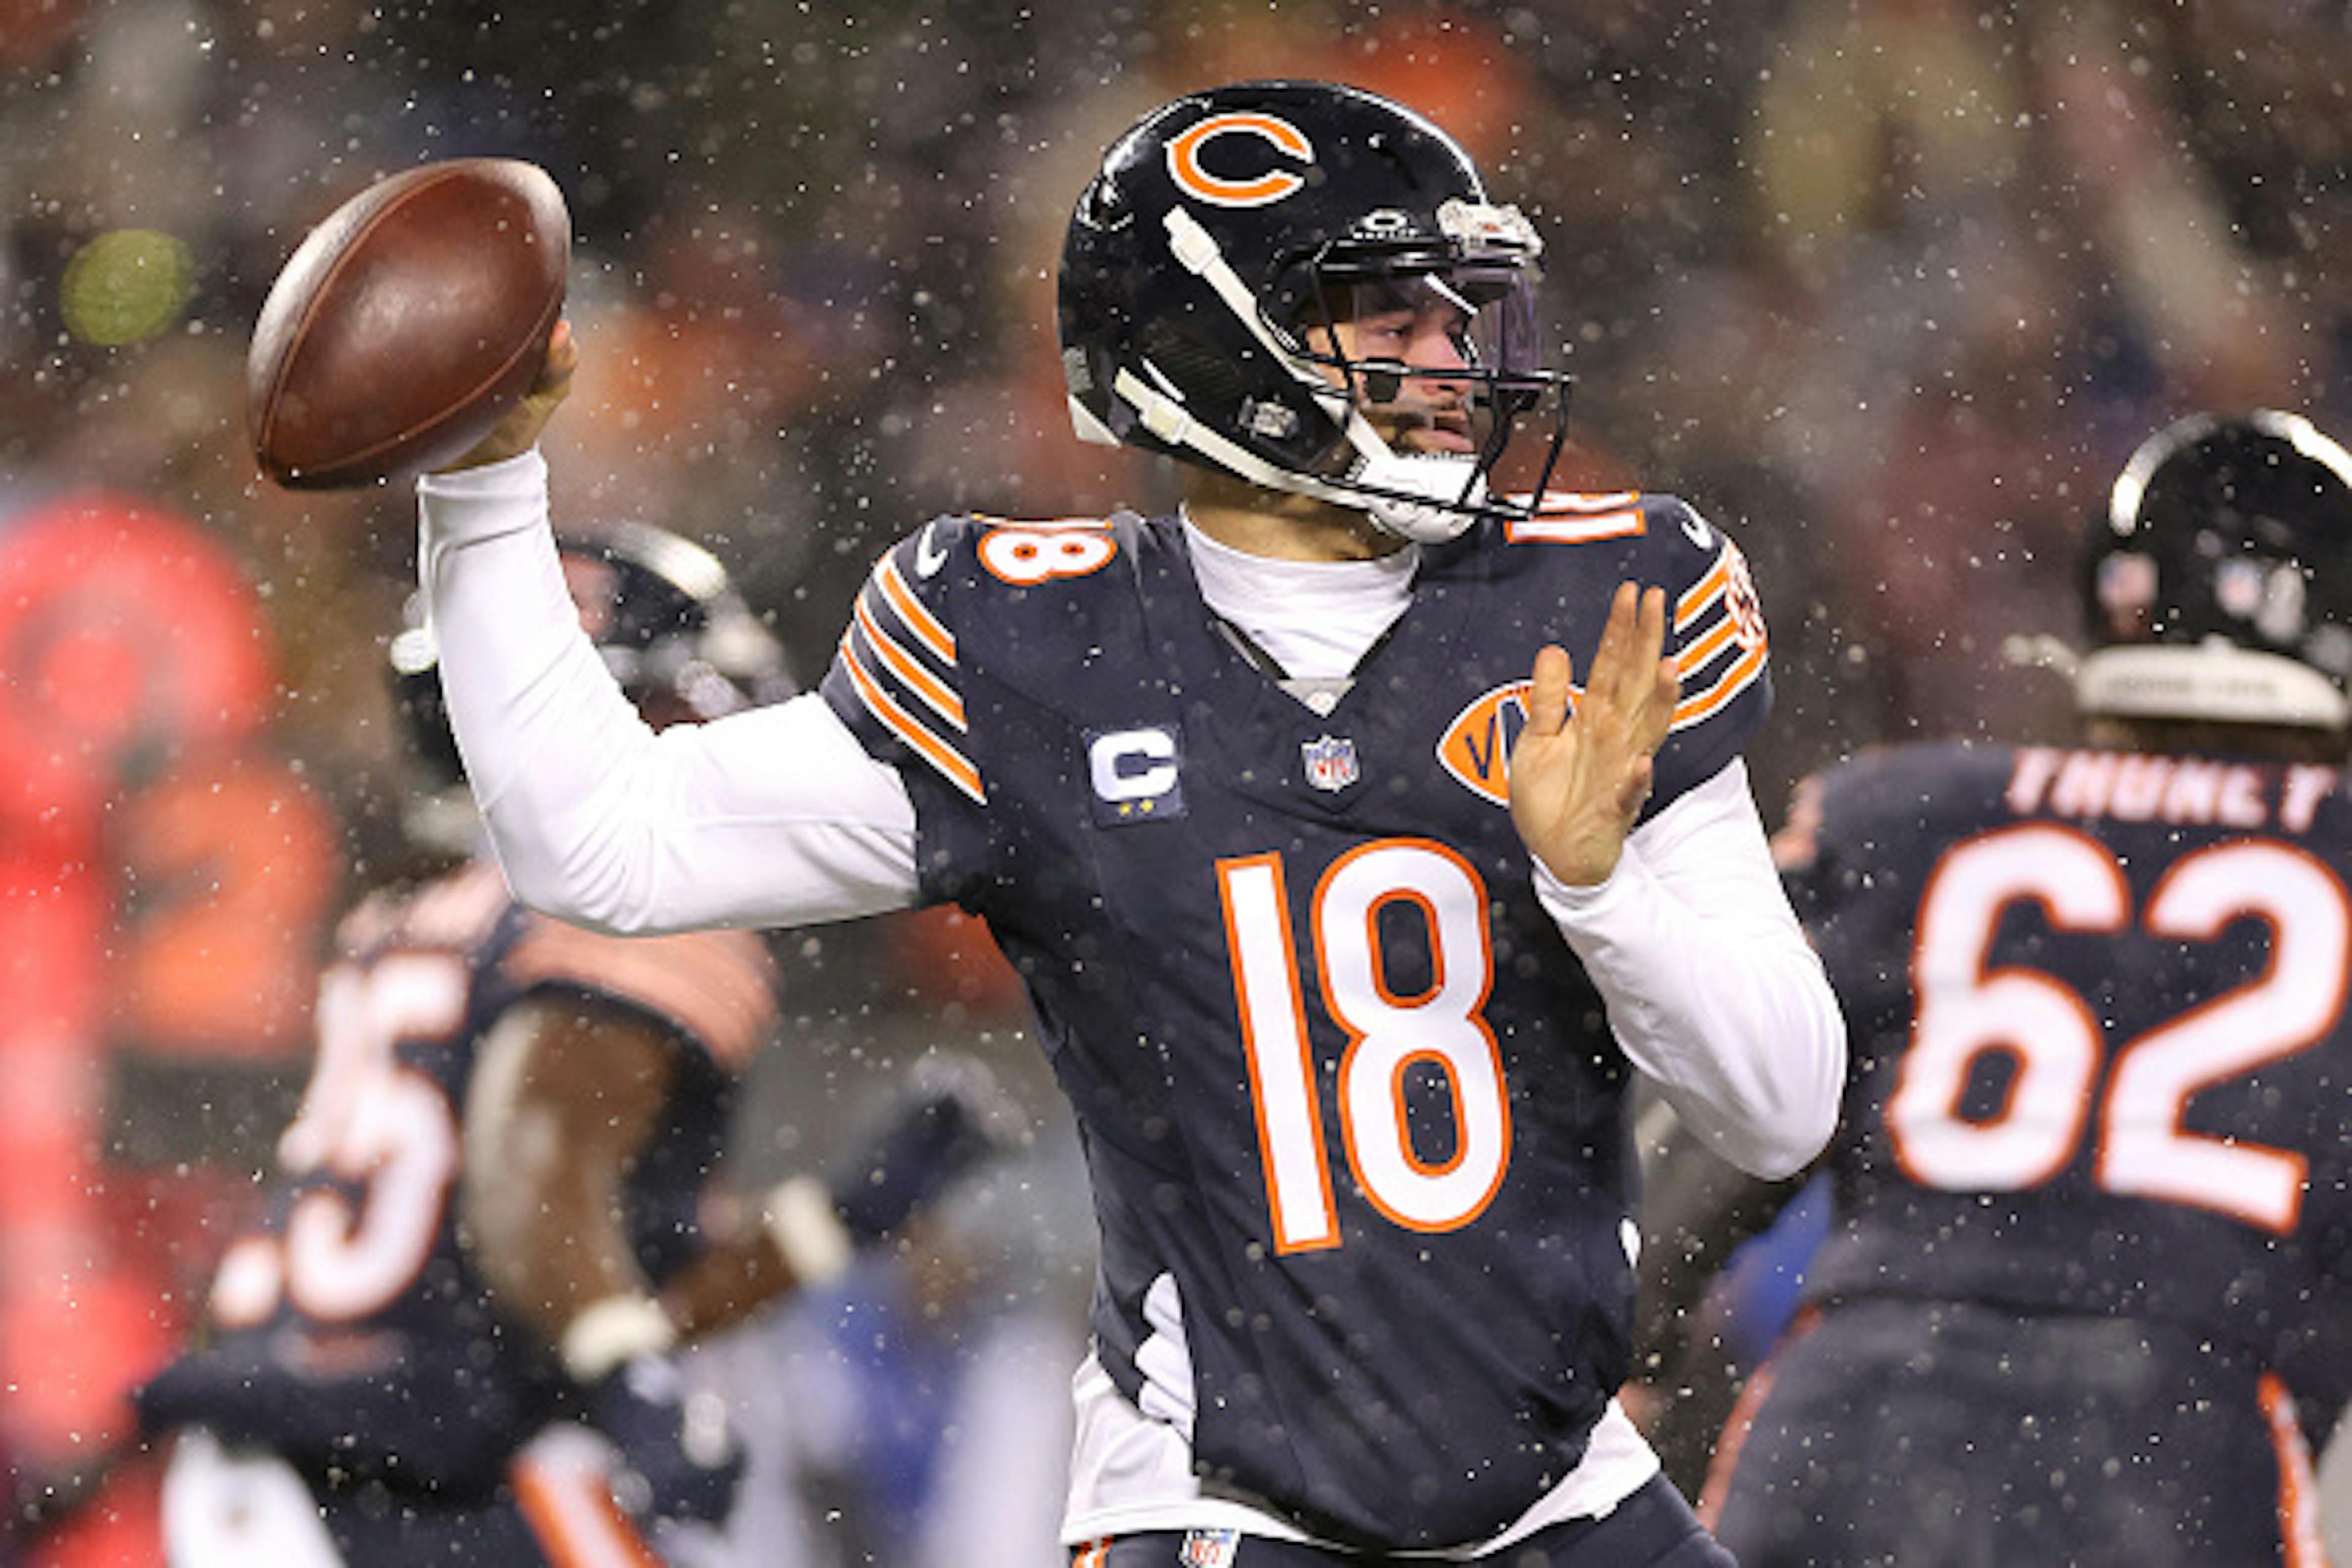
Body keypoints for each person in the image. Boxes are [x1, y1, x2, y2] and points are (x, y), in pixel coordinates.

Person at [411, 80, 1845, 1564]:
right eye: (1387, 315)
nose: (1449, 358)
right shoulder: (1033, 642)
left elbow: (1781, 1105)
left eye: (1449, 312)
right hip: (1231, 1504)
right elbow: (604, 843)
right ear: (1223, 351)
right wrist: (485, 486)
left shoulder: (1596, 604)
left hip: (1568, 1491)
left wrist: (1601, 888)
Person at [133, 520, 1016, 1568]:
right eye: (688, 705)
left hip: (298, 1447)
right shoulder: (625, 913)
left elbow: (585, 1291)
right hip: (413, 1480)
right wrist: (639, 1395)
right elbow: (531, 1196)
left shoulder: (413, 914)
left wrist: (843, 1218)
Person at [1688, 409, 2352, 1564]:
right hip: (2174, 1441)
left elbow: (1683, 1164)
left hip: (1847, 1416)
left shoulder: (1907, 815)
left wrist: (1610, 1366)